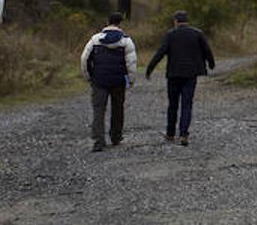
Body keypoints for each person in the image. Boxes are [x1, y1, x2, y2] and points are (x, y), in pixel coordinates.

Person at [144, 10, 215, 146]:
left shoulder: (171, 35)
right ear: (187, 21)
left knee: (173, 104)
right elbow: (207, 50)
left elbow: (161, 52)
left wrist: (150, 69)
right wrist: (211, 64)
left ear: (175, 21)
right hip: (191, 74)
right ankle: (183, 134)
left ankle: (170, 133)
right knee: (187, 104)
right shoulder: (197, 34)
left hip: (174, 74)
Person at [79, 12, 137, 152]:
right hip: (118, 81)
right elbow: (131, 63)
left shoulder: (95, 39)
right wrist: (131, 80)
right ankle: (116, 137)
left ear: (107, 22)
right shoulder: (126, 41)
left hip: (99, 80)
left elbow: (84, 59)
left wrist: (89, 76)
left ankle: (98, 141)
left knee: (98, 110)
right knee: (118, 109)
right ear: (120, 23)